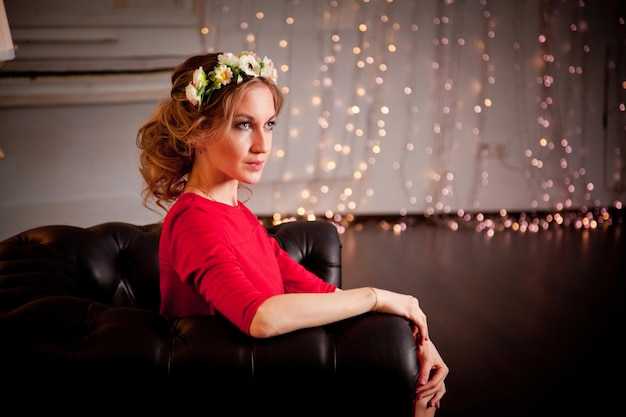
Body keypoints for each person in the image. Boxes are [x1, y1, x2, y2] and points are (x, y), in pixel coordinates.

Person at [136, 50, 448, 415]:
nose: (262, 145)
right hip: (223, 390)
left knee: (416, 386)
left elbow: (320, 293)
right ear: (199, 132)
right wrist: (377, 297)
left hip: (265, 374)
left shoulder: (237, 214)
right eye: (242, 125)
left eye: (268, 124)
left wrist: (417, 335)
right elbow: (259, 317)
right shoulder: (193, 220)